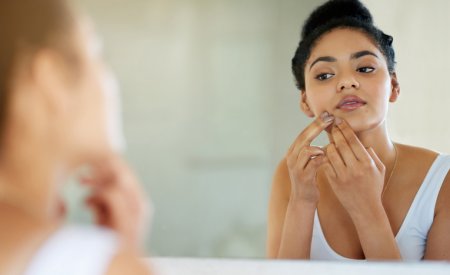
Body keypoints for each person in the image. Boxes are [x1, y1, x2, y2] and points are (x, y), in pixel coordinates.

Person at [267, 0, 450, 261]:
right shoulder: (291, 175)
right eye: (324, 75)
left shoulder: (443, 180)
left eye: (364, 68)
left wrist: (367, 209)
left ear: (394, 85)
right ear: (305, 101)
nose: (346, 82)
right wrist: (302, 202)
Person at [0, 0, 152, 274]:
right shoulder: (101, 265)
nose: (110, 83)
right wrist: (116, 258)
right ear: (50, 77)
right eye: (97, 53)